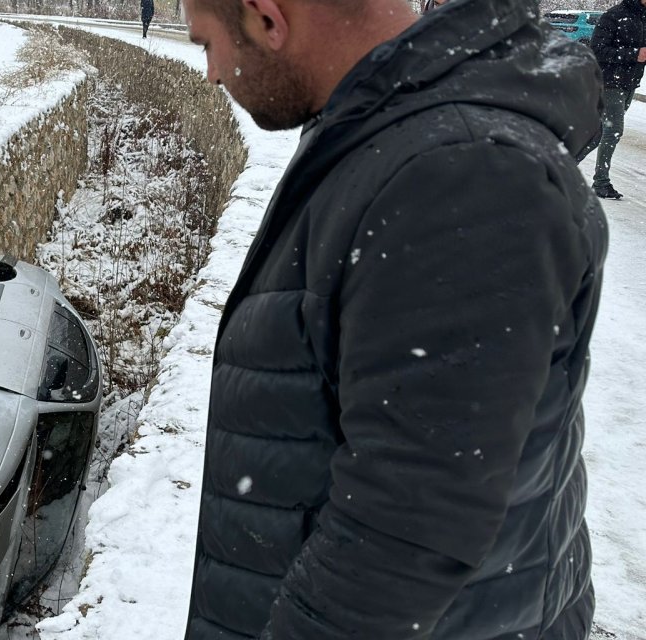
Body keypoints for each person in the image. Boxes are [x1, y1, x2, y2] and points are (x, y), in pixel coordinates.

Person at [182, 0, 606, 638]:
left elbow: (408, 522)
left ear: (267, 18)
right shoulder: (385, 135)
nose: (210, 73)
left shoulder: (459, 173)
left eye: (205, 44)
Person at [586, 0, 646, 199]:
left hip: (629, 82)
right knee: (613, 130)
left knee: (600, 133)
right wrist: (634, 54)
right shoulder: (615, 15)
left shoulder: (642, 16)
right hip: (609, 81)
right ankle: (601, 182)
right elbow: (598, 48)